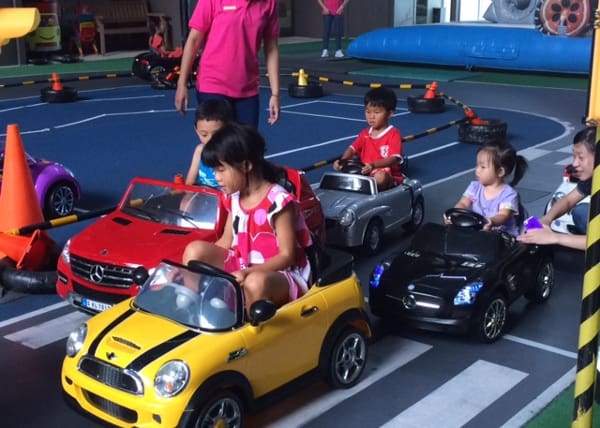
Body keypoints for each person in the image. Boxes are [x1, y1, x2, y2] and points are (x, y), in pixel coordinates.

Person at [182, 123, 312, 310]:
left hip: (278, 273)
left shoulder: (279, 201)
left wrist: (248, 272)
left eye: (221, 170)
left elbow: (287, 256)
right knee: (194, 251)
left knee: (255, 282)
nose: (216, 178)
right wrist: (183, 270)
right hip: (242, 264)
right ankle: (194, 307)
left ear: (246, 165)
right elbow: (227, 240)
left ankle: (243, 325)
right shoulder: (233, 197)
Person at [174, 0, 281, 128]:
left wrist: (275, 93)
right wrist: (182, 83)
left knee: (247, 145)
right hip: (212, 85)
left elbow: (271, 48)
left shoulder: (269, 3)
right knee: (217, 145)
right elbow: (194, 40)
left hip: (247, 89)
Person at [518, 127, 595, 250]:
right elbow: (568, 200)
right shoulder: (592, 178)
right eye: (574, 156)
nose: (574, 164)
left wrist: (554, 237)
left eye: (581, 158)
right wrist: (546, 219)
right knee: (582, 212)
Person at [447, 142, 528, 236]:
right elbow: (464, 203)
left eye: (483, 167)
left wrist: (491, 221)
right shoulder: (474, 188)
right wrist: (454, 213)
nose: (477, 170)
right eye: (477, 165)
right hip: (479, 232)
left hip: (502, 237)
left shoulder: (509, 195)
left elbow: (503, 215)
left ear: (500, 171)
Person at [333, 86, 403, 190]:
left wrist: (373, 165)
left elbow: (393, 159)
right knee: (343, 167)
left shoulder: (393, 134)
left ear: (390, 114)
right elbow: (352, 149)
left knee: (380, 177)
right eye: (368, 112)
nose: (371, 116)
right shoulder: (364, 133)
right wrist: (343, 160)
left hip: (384, 171)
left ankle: (377, 188)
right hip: (365, 169)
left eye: (376, 112)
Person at [185, 99, 233, 188]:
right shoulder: (200, 151)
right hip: (205, 199)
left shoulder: (232, 153)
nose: (210, 139)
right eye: (204, 134)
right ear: (196, 130)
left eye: (216, 134)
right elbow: (189, 185)